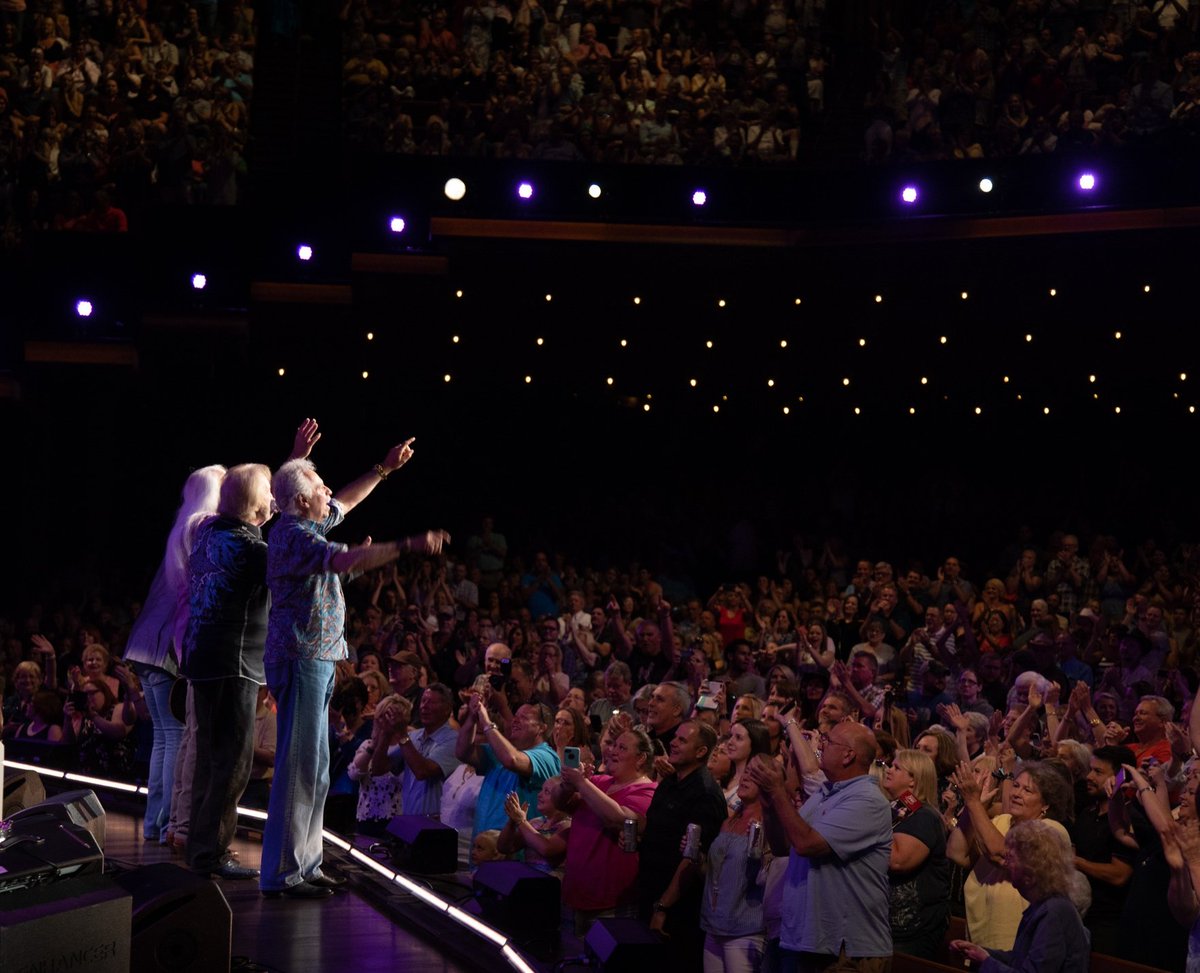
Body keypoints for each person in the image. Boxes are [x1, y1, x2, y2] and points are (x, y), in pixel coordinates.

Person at [260, 437, 449, 899]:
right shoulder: (294, 534)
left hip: (316, 658)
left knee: (317, 769)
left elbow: (345, 501)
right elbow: (342, 557)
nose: (328, 491)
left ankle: (306, 864)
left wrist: (383, 470)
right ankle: (284, 872)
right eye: (319, 486)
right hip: (301, 658)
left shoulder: (307, 525)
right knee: (300, 767)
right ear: (301, 499)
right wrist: (404, 545)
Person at [182, 462, 276, 880]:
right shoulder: (252, 550)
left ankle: (199, 847)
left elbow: (245, 494)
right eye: (270, 494)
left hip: (202, 659)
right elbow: (297, 565)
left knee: (209, 758)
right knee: (233, 762)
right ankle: (212, 853)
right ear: (257, 510)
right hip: (233, 664)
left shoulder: (207, 531)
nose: (275, 499)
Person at [123, 463, 225, 844]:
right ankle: (167, 824)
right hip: (165, 644)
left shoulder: (181, 525)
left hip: (144, 642)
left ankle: (155, 824)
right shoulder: (203, 527)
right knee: (175, 736)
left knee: (165, 737)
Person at [748, 720, 892, 973]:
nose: (820, 745)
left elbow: (807, 844)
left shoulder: (867, 800)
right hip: (807, 940)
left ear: (848, 755)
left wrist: (778, 791)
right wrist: (769, 802)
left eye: (828, 741)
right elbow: (784, 846)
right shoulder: (825, 793)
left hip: (846, 949)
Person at [948, 759, 1075, 950]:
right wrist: (971, 807)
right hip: (981, 931)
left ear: (1046, 804)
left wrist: (974, 803)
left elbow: (1001, 853)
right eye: (1016, 786)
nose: (1016, 793)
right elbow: (956, 852)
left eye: (1027, 790)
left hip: (1017, 938)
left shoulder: (1051, 830)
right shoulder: (1001, 820)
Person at [950, 820, 1091, 973]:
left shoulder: (1054, 912)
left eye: (1011, 859)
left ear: (1030, 871)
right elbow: (1019, 959)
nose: (1005, 865)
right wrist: (983, 953)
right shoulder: (1044, 904)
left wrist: (986, 962)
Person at [641, 720, 728, 961]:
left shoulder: (705, 793)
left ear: (701, 752)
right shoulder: (669, 782)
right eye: (675, 737)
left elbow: (692, 858)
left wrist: (663, 907)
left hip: (679, 909)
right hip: (650, 892)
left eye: (682, 740)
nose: (673, 743)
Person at [560, 723, 658, 933]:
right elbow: (561, 803)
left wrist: (581, 783)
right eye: (613, 745)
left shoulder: (648, 791)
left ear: (641, 758)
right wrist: (569, 783)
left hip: (611, 905)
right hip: (573, 898)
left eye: (622, 748)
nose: (612, 751)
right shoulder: (599, 781)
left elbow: (619, 819)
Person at [456, 693, 561, 837]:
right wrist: (473, 717)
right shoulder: (501, 750)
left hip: (514, 852)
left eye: (524, 717)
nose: (515, 721)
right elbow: (462, 752)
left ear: (541, 728)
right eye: (516, 716)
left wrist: (487, 723)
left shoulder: (547, 756)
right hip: (482, 848)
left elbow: (512, 760)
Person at [881, 749, 950, 957]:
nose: (888, 770)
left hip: (913, 931)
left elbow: (898, 861)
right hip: (891, 927)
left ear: (913, 781)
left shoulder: (924, 816)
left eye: (897, 767)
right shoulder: (902, 808)